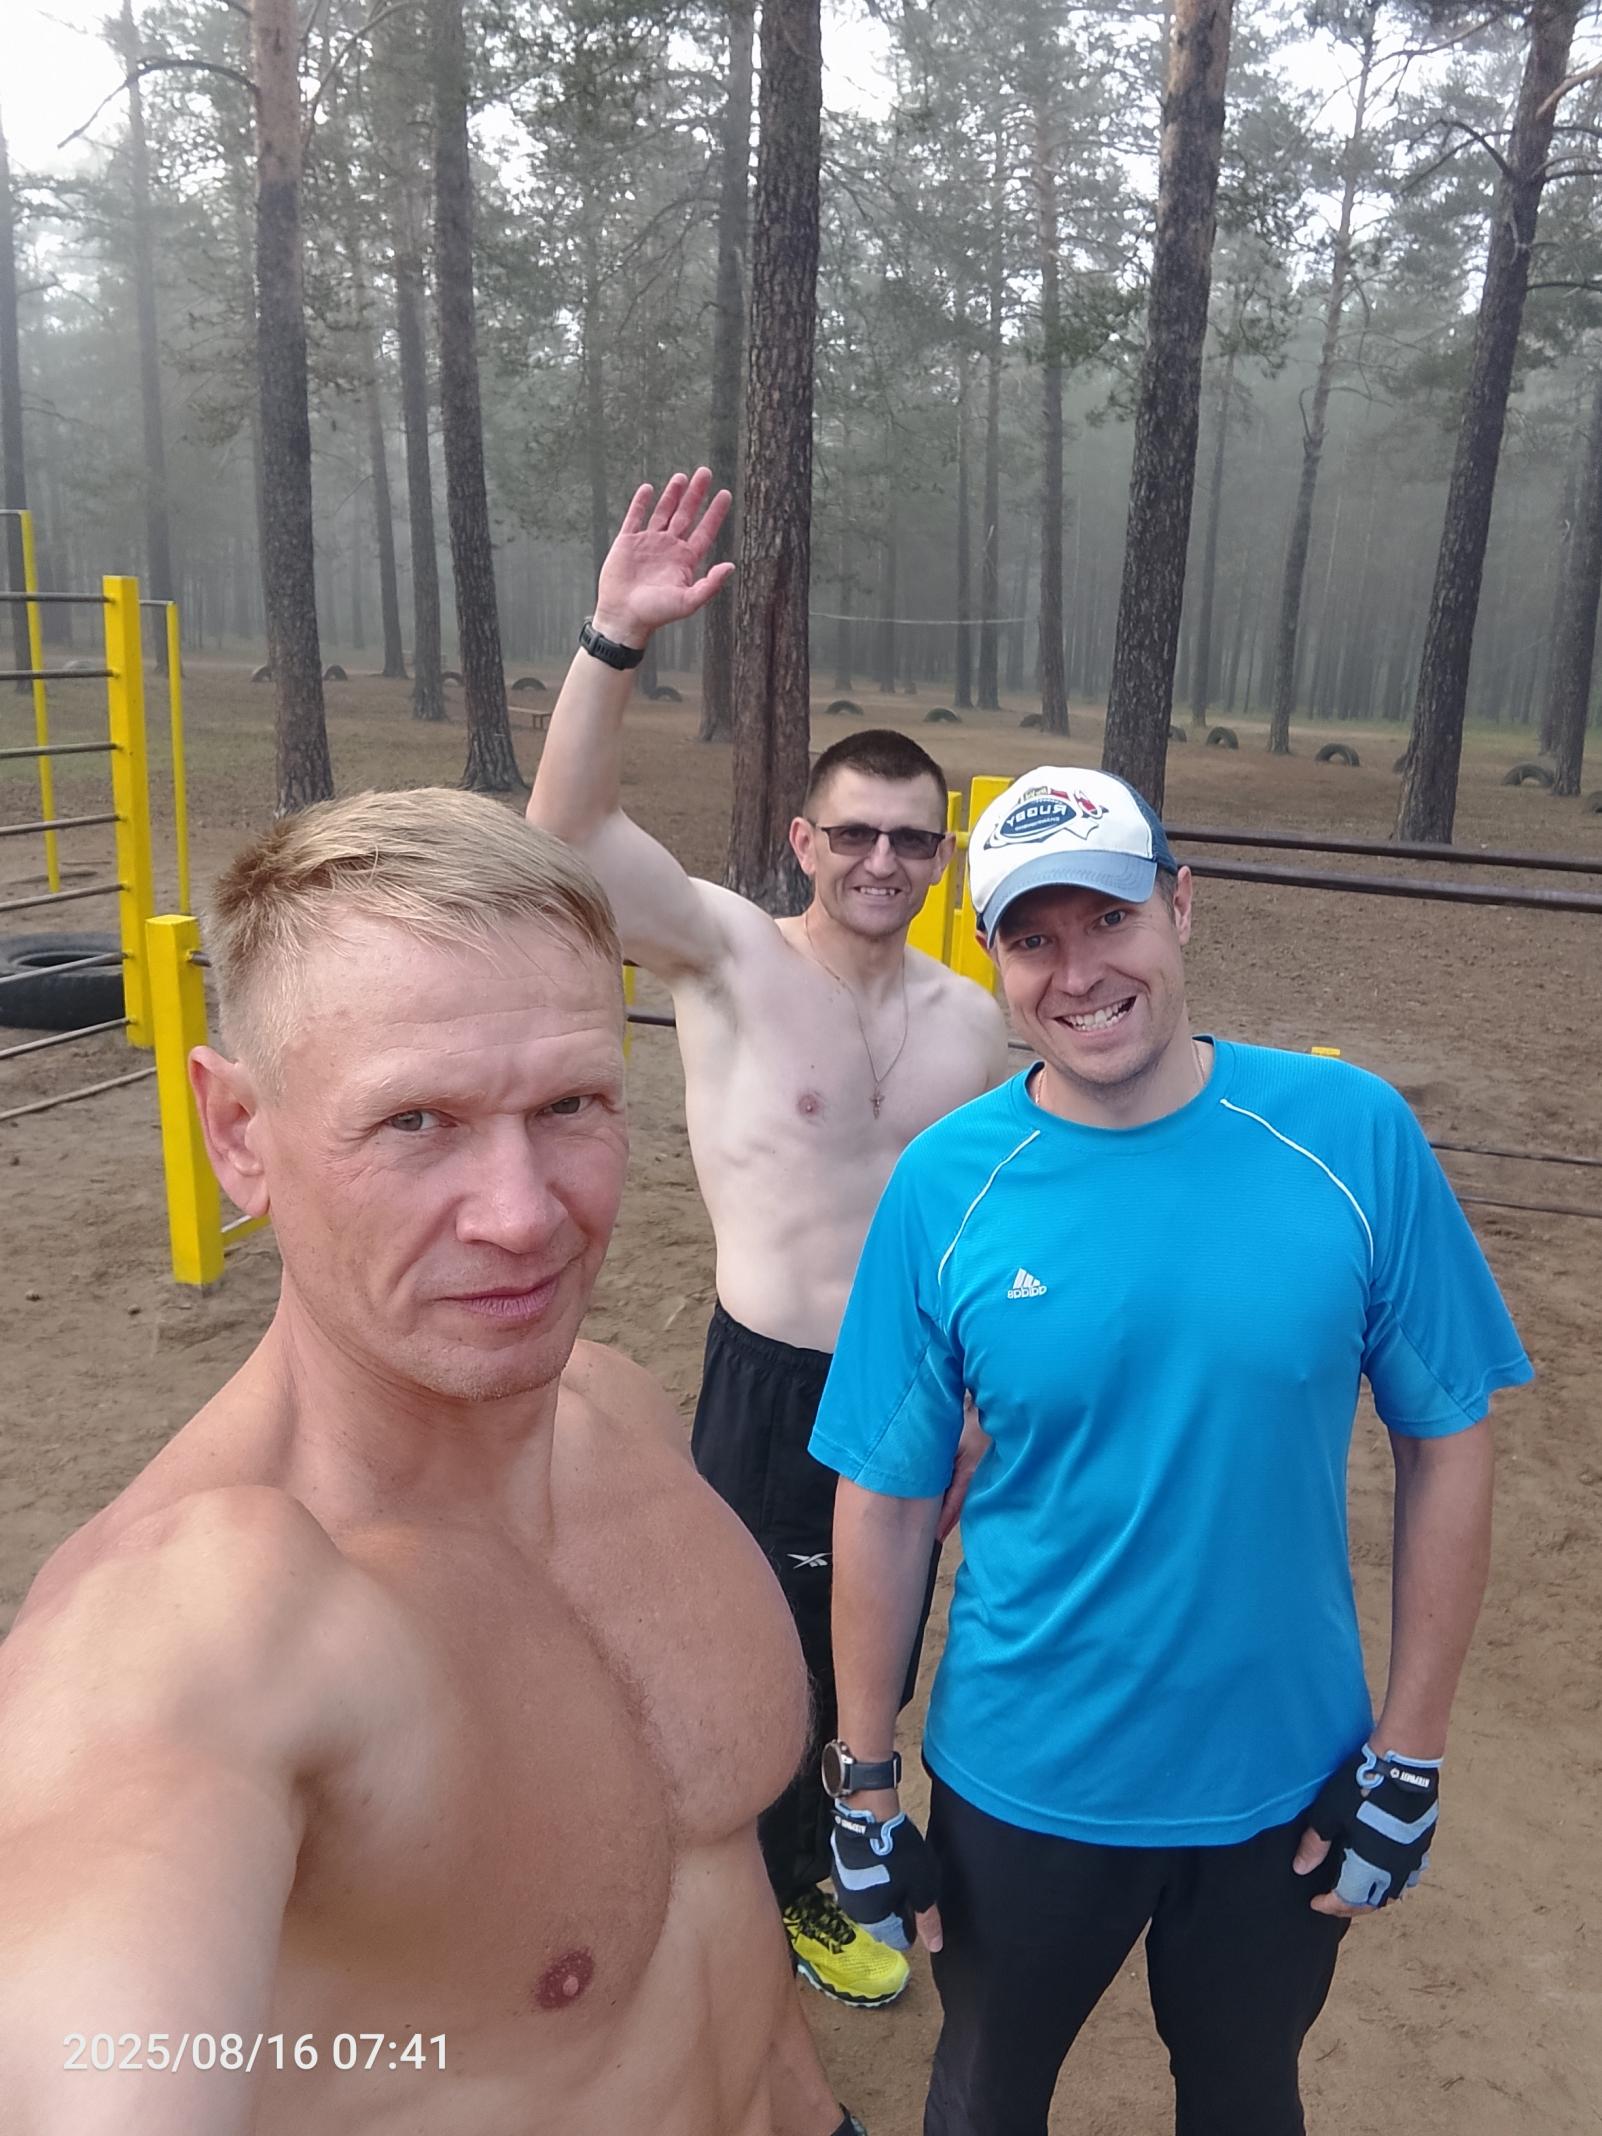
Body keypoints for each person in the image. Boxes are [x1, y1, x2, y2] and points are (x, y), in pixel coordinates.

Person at [0, 789, 867, 2136]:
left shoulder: (619, 1410)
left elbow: (722, 1916)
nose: (523, 1217)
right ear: (239, 1134)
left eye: (570, 1103)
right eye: (415, 1121)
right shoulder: (204, 1624)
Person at [809, 764, 1533, 2135]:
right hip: (1025, 1777)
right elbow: (887, 1496)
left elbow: (1447, 1434)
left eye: (1110, 918)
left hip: (1286, 1780)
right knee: (983, 2099)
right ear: (996, 958)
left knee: (1246, 2097)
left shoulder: (1350, 1135)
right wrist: (861, 1781)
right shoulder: (946, 1184)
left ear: (1180, 905)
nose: (1079, 972)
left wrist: (1411, 1752)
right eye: (1033, 937)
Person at [529, 468, 1009, 2010]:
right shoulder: (727, 954)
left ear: (940, 855)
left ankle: (816, 1854)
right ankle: (753, 1875)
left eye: (912, 842)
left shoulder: (972, 1021)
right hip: (772, 1372)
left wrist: (986, 1389)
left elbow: (988, 1217)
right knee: (748, 1643)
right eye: (855, 834)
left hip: (915, 1385)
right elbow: (566, 836)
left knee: (879, 1642)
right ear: (804, 838)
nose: (883, 863)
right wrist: (613, 638)